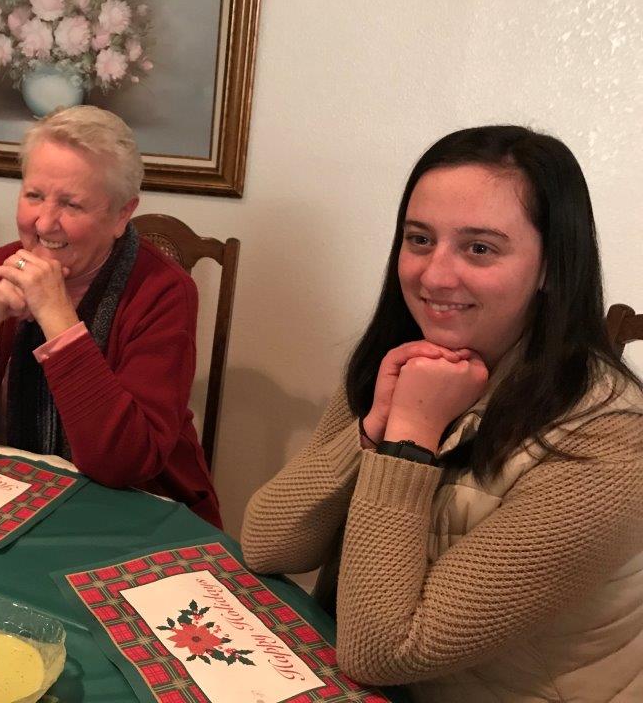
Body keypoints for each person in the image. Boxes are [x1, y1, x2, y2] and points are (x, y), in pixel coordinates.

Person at [241, 126, 643, 701]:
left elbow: (383, 651)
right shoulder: (405, 361)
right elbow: (267, 543)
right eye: (420, 239)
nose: (433, 275)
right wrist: (373, 429)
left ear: (552, 267)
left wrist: (409, 442)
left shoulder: (612, 442)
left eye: (480, 247)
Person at [0, 106, 220, 527]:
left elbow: (124, 461)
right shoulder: (2, 264)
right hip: (12, 494)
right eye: (33, 196)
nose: (44, 222)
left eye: (71, 204)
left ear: (122, 214)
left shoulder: (164, 290)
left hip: (138, 508)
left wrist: (57, 318)